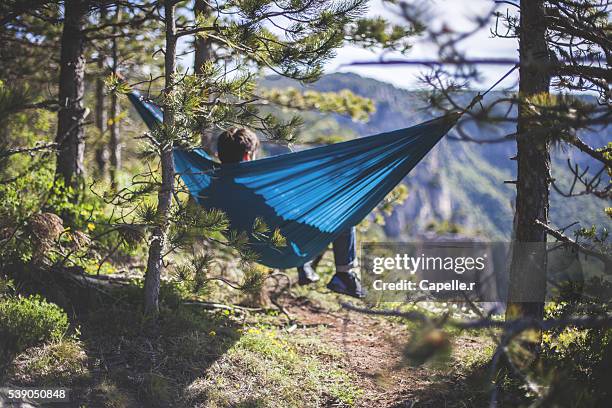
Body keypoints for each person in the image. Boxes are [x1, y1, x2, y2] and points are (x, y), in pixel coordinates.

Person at [216, 127, 365, 298]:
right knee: (342, 217)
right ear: (247, 156)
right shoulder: (259, 187)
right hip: (278, 249)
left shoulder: (212, 184)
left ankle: (306, 264)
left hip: (250, 246)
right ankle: (344, 275)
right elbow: (290, 214)